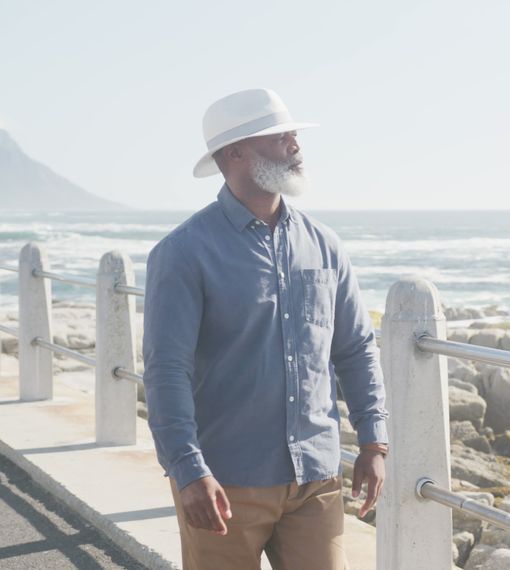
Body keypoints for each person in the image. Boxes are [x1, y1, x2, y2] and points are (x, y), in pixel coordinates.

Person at [143, 88, 388, 569]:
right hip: (225, 480)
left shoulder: (325, 245)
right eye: (280, 135)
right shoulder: (183, 253)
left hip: (316, 478)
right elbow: (165, 370)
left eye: (293, 133)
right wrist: (188, 471)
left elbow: (355, 348)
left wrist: (373, 441)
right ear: (234, 152)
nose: (295, 143)